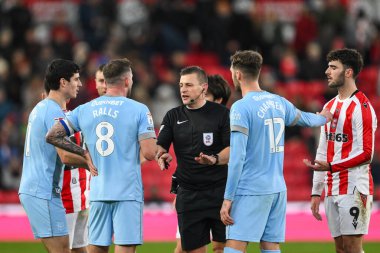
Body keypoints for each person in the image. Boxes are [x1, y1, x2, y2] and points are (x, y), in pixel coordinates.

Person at [219, 50, 333, 253]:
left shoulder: (240, 108)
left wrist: (228, 198)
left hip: (251, 188)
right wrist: (324, 117)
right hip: (278, 189)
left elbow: (237, 157)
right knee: (270, 245)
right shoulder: (278, 102)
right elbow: (307, 119)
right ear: (259, 71)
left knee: (235, 245)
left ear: (237, 75)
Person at [46, 58, 157, 253]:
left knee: (96, 248)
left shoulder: (84, 109)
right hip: (127, 193)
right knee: (124, 247)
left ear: (105, 81)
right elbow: (149, 153)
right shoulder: (139, 110)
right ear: (127, 80)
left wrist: (83, 153)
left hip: (97, 193)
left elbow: (53, 135)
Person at [304, 48, 377, 253]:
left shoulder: (362, 108)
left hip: (355, 188)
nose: (327, 71)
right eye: (328, 66)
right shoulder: (329, 106)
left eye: (333, 67)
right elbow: (322, 150)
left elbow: (367, 154)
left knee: (353, 247)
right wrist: (316, 192)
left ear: (348, 72)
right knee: (341, 249)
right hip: (331, 187)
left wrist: (333, 166)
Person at [156, 66, 230, 253]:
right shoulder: (173, 115)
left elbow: (234, 149)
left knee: (224, 248)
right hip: (189, 196)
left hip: (220, 193)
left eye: (189, 85)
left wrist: (214, 159)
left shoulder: (222, 114)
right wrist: (162, 155)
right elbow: (160, 147)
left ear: (204, 88)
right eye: (181, 85)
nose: (183, 89)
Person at [18, 59, 89, 253]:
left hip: (41, 190)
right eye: (76, 79)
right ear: (63, 82)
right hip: (43, 191)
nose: (80, 84)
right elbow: (65, 156)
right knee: (62, 250)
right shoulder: (53, 110)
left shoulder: (41, 107)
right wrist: (91, 162)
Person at [62, 63, 107, 253]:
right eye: (102, 81)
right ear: (95, 84)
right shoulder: (82, 113)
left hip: (95, 191)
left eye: (108, 80)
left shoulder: (130, 111)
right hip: (81, 190)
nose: (106, 85)